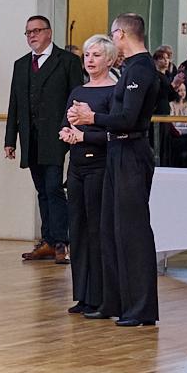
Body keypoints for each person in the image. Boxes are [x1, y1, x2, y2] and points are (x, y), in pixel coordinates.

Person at [67, 13, 159, 327]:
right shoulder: (132, 68)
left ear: (120, 35)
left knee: (132, 232)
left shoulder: (141, 68)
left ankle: (141, 307)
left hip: (132, 152)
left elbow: (127, 118)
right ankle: (113, 300)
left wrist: (91, 117)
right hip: (117, 150)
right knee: (110, 230)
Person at [4, 15, 84, 263]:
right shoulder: (21, 64)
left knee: (53, 187)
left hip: (57, 135)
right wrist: (10, 139)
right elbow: (14, 104)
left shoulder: (67, 61)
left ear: (49, 32)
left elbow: (76, 98)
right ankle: (49, 240)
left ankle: (61, 241)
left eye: (37, 31)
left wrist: (71, 129)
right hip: (31, 136)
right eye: (28, 32)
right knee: (41, 189)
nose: (32, 36)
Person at [59, 35, 117, 316]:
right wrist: (66, 133)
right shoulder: (77, 91)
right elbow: (65, 124)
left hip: (100, 167)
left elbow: (115, 132)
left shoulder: (114, 92)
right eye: (86, 55)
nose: (90, 60)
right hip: (77, 167)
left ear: (109, 59)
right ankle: (82, 294)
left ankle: (100, 296)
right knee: (78, 231)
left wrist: (83, 135)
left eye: (95, 55)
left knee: (96, 230)